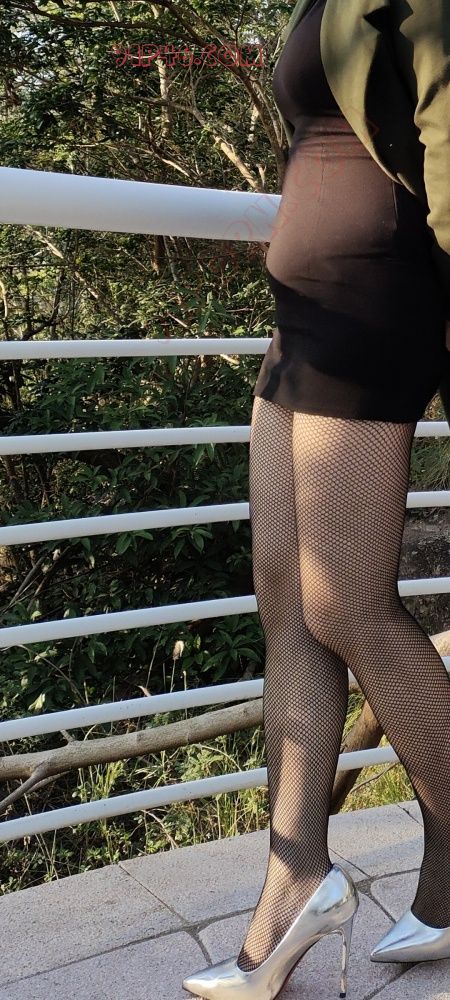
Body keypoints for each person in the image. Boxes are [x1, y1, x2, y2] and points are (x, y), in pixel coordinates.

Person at [182, 0, 450, 996]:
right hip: (305, 316)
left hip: (376, 301)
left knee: (345, 603)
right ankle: (295, 879)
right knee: (286, 598)